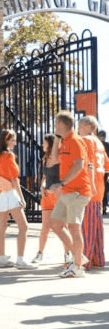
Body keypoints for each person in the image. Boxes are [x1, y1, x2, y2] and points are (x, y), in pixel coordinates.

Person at [49, 111, 93, 278]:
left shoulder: (75, 141)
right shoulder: (65, 141)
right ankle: (78, 255)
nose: (54, 126)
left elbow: (79, 165)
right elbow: (54, 159)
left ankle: (77, 268)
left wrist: (61, 183)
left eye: (55, 123)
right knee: (55, 223)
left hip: (78, 192)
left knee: (74, 228)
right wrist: (56, 139)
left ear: (62, 124)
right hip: (67, 192)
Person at [0, 129, 37, 269]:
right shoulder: (9, 156)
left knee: (1, 227)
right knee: (23, 226)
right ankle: (20, 259)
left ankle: (2, 258)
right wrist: (22, 198)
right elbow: (14, 179)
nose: (14, 143)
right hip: (9, 192)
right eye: (12, 140)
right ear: (6, 141)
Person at [32, 133, 69, 265]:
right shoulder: (44, 159)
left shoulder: (59, 157)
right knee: (45, 227)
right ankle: (40, 253)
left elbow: (64, 176)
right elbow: (44, 177)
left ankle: (67, 254)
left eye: (44, 142)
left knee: (63, 226)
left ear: (50, 144)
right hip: (47, 196)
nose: (42, 144)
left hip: (58, 196)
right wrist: (42, 187)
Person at [78, 114, 105, 268]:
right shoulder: (99, 143)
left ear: (88, 127)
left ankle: (84, 260)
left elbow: (87, 164)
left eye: (80, 127)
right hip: (99, 188)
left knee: (86, 227)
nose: (78, 130)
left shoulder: (86, 141)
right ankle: (98, 258)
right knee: (96, 226)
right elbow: (106, 166)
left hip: (88, 188)